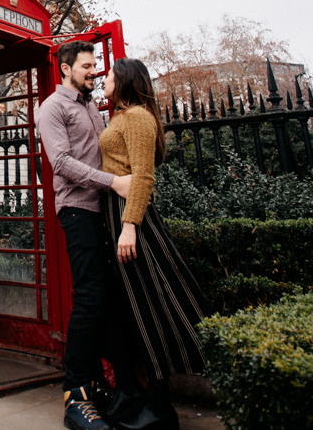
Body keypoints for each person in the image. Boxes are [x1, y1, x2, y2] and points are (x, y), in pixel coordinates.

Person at [96, 58, 206, 430]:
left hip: (132, 218)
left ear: (124, 80)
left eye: (109, 75)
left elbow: (143, 174)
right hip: (116, 214)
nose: (104, 79)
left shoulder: (138, 117)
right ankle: (146, 399)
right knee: (131, 311)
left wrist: (129, 227)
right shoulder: (120, 117)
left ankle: (161, 409)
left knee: (148, 309)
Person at [38, 40, 132, 430]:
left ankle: (96, 384)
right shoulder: (52, 108)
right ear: (65, 68)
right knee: (90, 297)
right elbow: (60, 162)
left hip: (104, 213)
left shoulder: (92, 106)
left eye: (96, 66)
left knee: (104, 298)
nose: (94, 71)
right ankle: (74, 393)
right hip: (77, 210)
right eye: (87, 66)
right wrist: (114, 183)